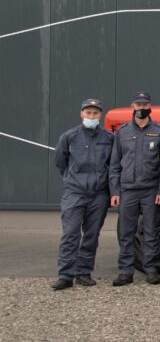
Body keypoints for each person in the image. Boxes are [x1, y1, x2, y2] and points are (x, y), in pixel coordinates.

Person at [52, 98, 114, 290]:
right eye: (88, 113)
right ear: (82, 114)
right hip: (75, 193)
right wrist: (73, 180)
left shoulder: (108, 138)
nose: (92, 116)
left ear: (100, 115)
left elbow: (112, 166)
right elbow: (61, 162)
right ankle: (65, 275)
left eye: (95, 113)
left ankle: (84, 272)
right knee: (70, 234)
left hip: (98, 194)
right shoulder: (69, 136)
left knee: (91, 235)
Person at [109, 92, 160, 286]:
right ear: (132, 106)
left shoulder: (159, 131)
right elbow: (115, 164)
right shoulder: (122, 132)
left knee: (151, 231)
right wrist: (115, 191)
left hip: (150, 189)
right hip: (128, 190)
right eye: (138, 104)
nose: (141, 108)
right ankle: (125, 272)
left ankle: (151, 270)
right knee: (127, 232)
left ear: (150, 106)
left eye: (145, 104)